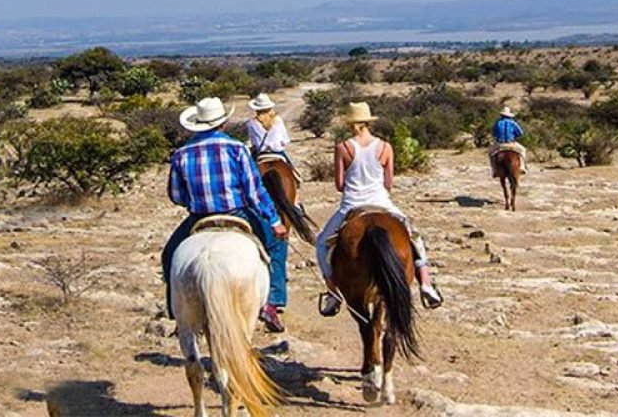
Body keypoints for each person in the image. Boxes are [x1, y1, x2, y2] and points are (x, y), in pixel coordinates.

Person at [162, 96, 289, 333]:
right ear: (223, 124)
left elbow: (176, 195)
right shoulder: (237, 148)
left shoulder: (181, 154)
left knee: (169, 255)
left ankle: (177, 311)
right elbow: (253, 191)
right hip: (238, 213)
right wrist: (273, 221)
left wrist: (196, 200)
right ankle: (272, 304)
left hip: (198, 217)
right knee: (277, 245)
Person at [315, 102, 443, 316]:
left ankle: (333, 292)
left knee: (321, 244)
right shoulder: (385, 147)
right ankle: (426, 284)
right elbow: (389, 183)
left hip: (352, 205)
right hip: (381, 201)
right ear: (367, 122)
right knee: (415, 238)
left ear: (350, 123)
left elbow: (339, 185)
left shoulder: (343, 148)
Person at [490, 106, 527, 175]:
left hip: (500, 144)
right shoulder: (513, 123)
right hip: (511, 143)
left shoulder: (497, 123)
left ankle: (494, 169)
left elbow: (494, 133)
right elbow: (520, 133)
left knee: (491, 153)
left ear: (501, 115)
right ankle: (522, 166)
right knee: (523, 150)